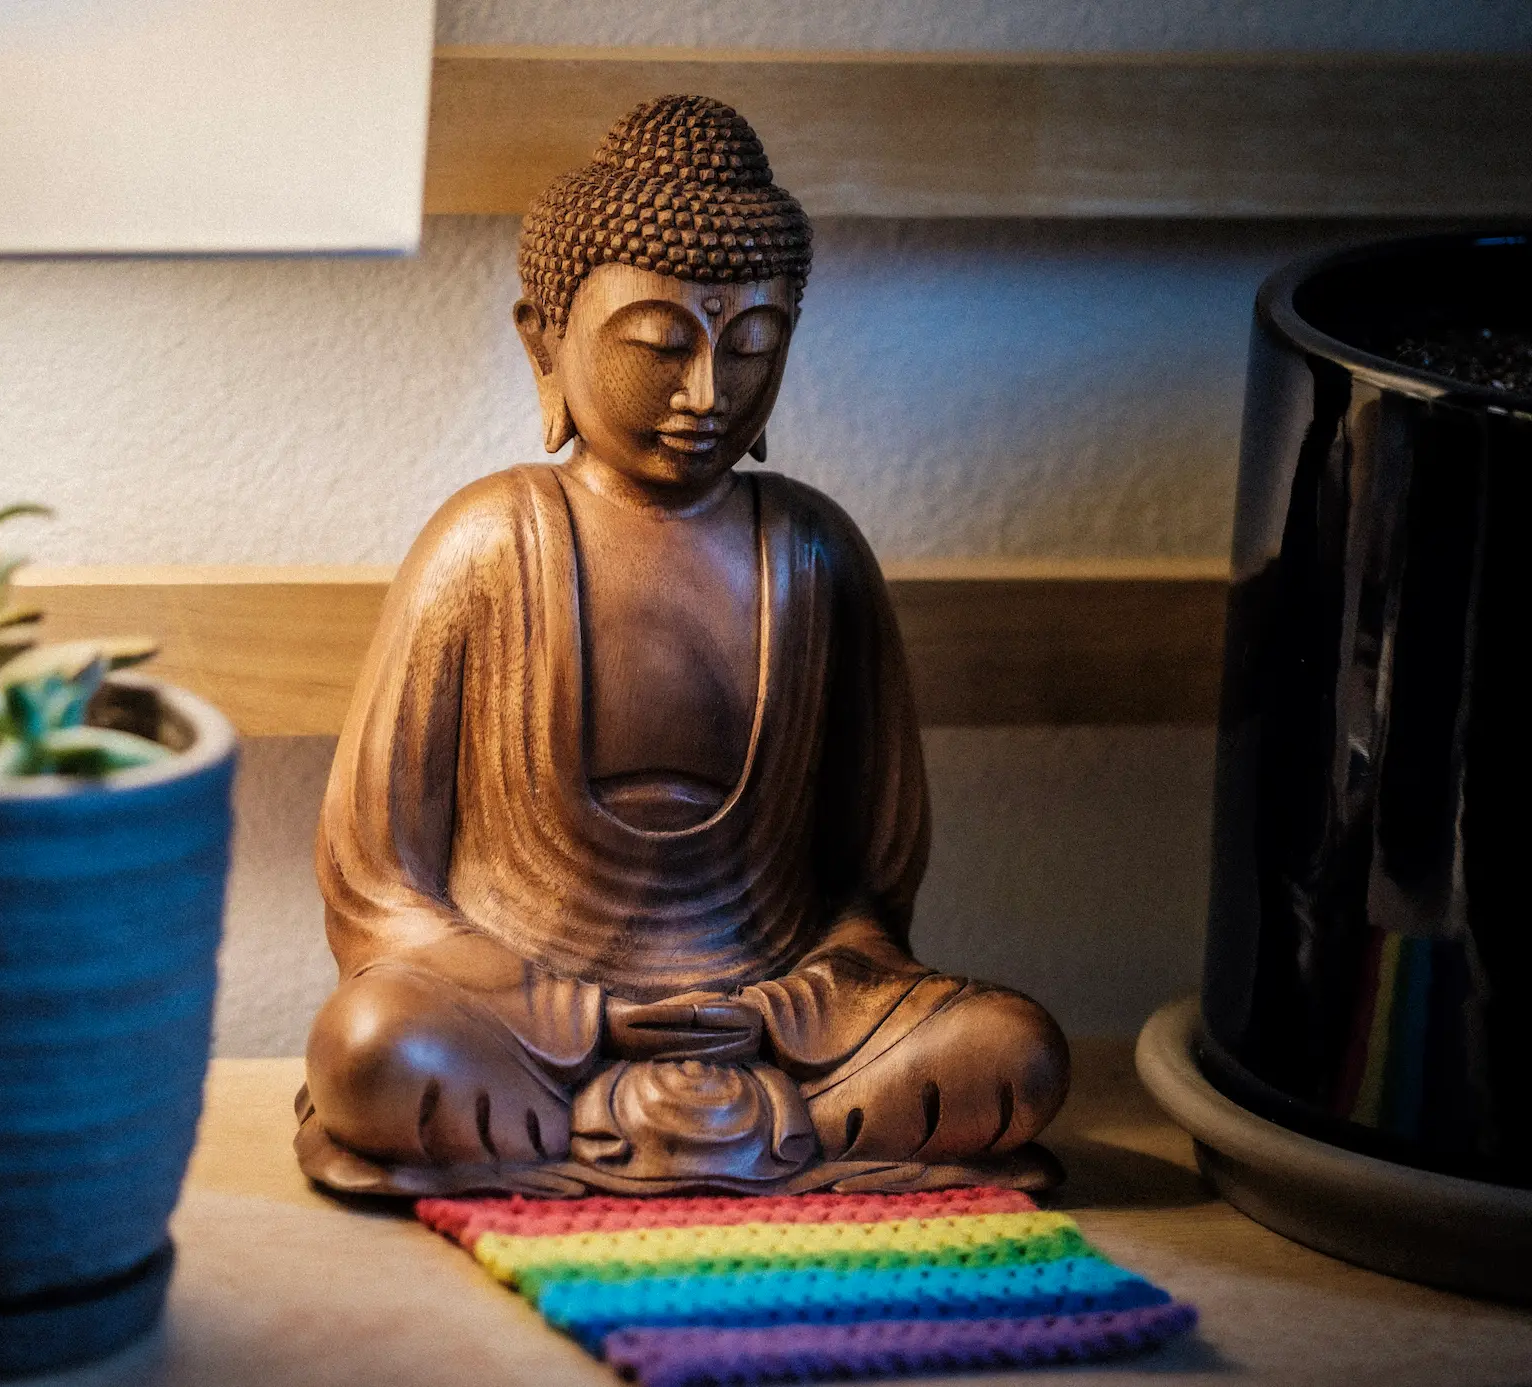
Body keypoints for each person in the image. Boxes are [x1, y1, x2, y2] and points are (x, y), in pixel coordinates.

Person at [297, 96, 1067, 1196]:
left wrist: (789, 999)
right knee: (374, 1048)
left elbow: (870, 878)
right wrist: (579, 1009)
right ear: (544, 339)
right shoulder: (484, 544)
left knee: (1015, 1054)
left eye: (751, 348)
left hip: (775, 1020)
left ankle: (599, 1133)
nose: (708, 394)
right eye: (659, 347)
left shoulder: (816, 555)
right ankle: (753, 1132)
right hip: (522, 1018)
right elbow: (376, 877)